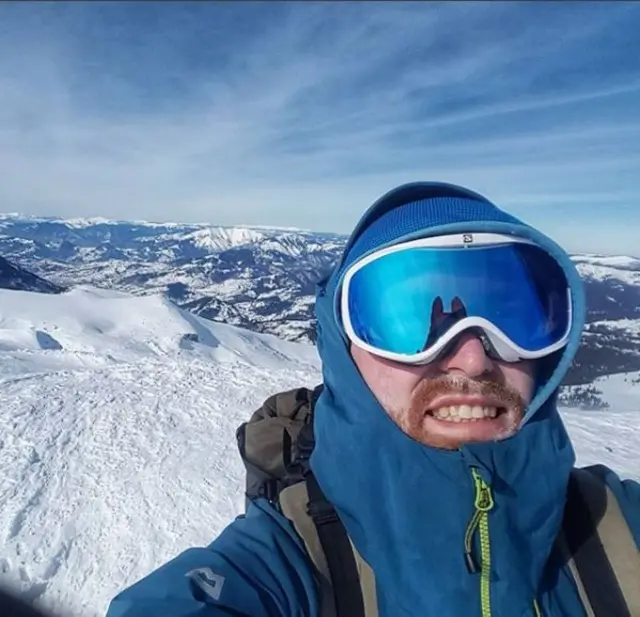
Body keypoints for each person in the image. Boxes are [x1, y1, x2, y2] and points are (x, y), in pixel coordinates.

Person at [106, 182, 640, 617]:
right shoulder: (289, 561)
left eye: (514, 315)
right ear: (343, 349)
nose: (473, 359)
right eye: (405, 322)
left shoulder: (619, 529)